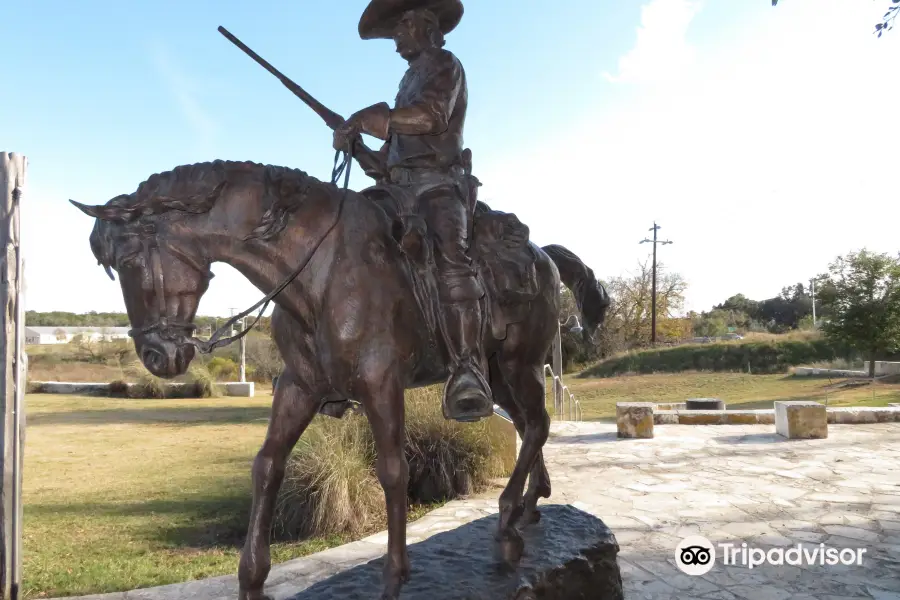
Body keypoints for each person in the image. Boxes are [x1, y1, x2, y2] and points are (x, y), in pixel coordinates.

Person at [331, 0, 493, 422]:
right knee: (346, 238)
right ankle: (338, 358)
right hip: (398, 189)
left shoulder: (444, 64)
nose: (397, 37)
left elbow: (431, 117)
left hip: (439, 186)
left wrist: (370, 117)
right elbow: (388, 162)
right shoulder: (406, 81)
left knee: (451, 256)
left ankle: (466, 368)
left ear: (427, 26)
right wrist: (359, 147)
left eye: (402, 27)